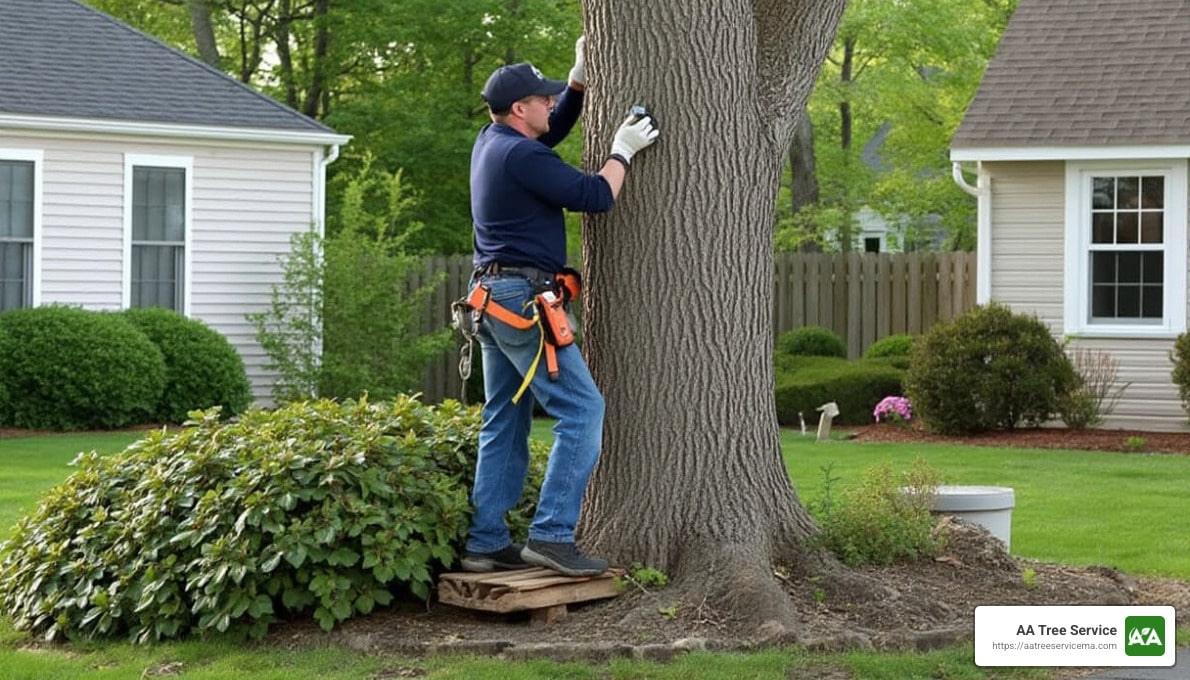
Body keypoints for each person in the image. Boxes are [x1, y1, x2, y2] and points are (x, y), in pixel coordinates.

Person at [461, 37, 659, 577]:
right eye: (543, 99)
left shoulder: (493, 142)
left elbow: (549, 140)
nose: (551, 105)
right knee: (583, 409)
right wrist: (622, 150)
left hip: (491, 299)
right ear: (520, 109)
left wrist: (574, 84)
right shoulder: (520, 153)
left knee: (504, 415)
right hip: (523, 302)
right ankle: (550, 534)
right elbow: (597, 196)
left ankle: (484, 542)